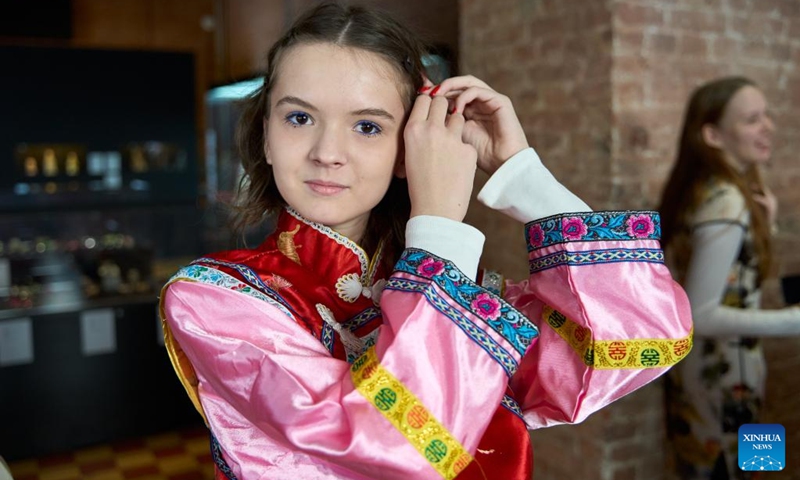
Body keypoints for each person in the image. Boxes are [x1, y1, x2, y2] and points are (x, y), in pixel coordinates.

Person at [159, 3, 693, 479]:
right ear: (266, 139)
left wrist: (525, 179)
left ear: (407, 151)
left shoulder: (462, 290)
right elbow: (398, 447)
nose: (326, 151)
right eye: (299, 118)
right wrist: (438, 224)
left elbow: (635, 343)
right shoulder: (217, 300)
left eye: (367, 127)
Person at [658, 76, 800, 479]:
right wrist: (794, 321)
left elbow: (739, 284)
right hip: (723, 386)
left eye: (766, 115)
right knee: (744, 473)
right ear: (713, 135)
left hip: (725, 378)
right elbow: (701, 314)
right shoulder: (725, 200)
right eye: (753, 119)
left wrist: (761, 228)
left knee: (751, 470)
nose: (768, 126)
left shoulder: (711, 192)